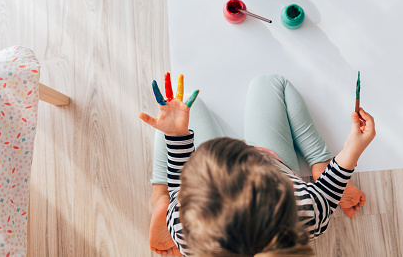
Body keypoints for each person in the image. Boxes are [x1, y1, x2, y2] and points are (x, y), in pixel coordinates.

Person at [140, 74, 376, 256]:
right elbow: (326, 192)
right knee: (272, 83)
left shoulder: (184, 226)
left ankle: (159, 196)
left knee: (177, 111)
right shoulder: (307, 210)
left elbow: (180, 188)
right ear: (285, 188)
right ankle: (320, 162)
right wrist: (349, 150)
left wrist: (177, 136)